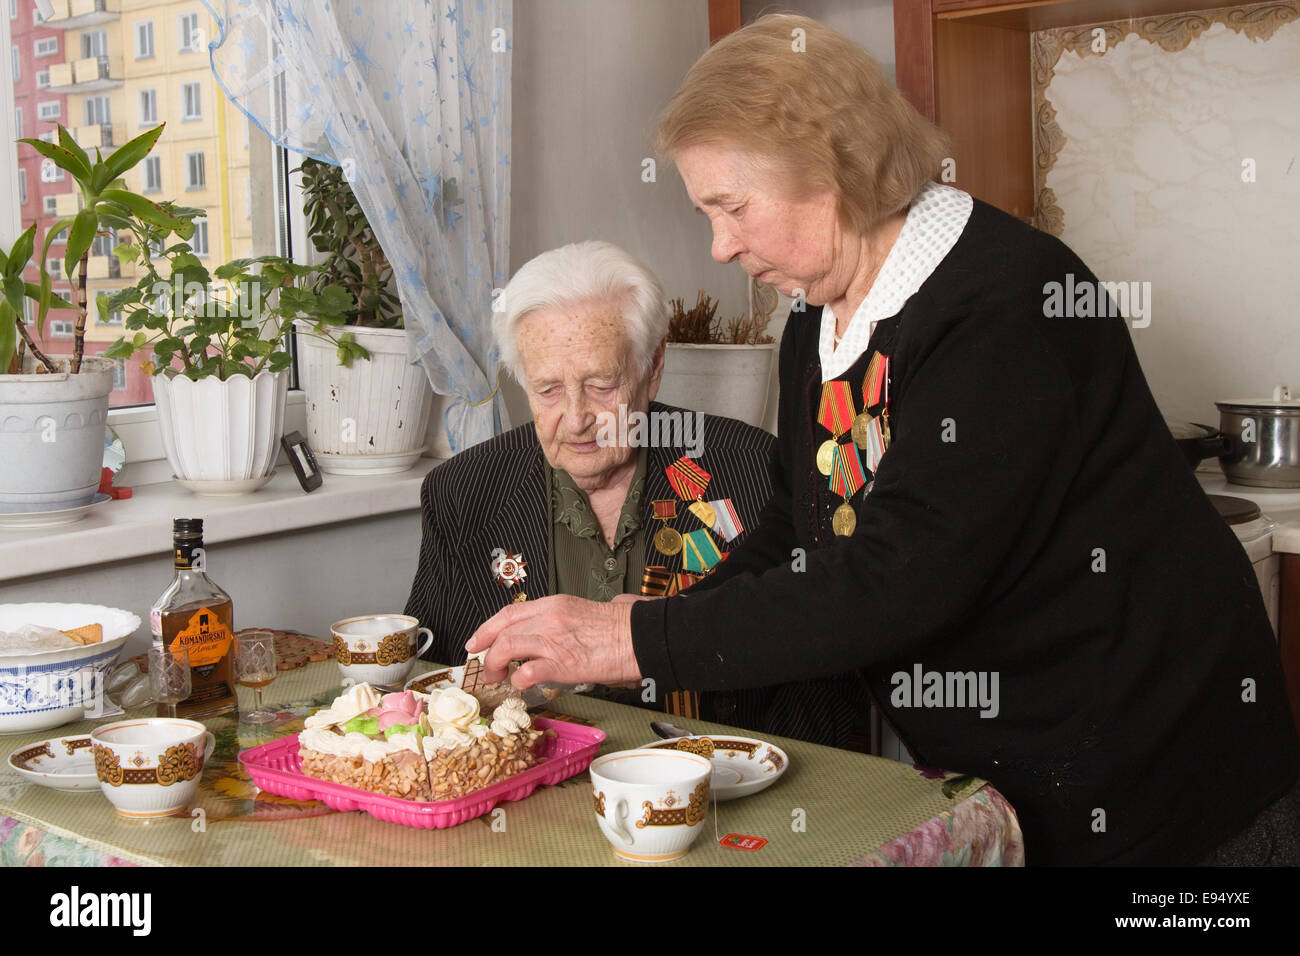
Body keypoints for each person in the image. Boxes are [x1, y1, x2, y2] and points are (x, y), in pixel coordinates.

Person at [467, 16, 1300, 866]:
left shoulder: (1007, 303)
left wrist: (629, 639)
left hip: (1159, 773)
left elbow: (902, 577)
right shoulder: (816, 325)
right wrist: (648, 624)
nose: (721, 246)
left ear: (831, 165)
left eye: (731, 207)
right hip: (1006, 772)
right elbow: (797, 534)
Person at [404, 239, 874, 746]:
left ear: (652, 368)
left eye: (602, 385)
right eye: (549, 390)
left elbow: (828, 690)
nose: (578, 418)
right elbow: (430, 678)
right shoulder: (462, 491)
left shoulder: (756, 471)